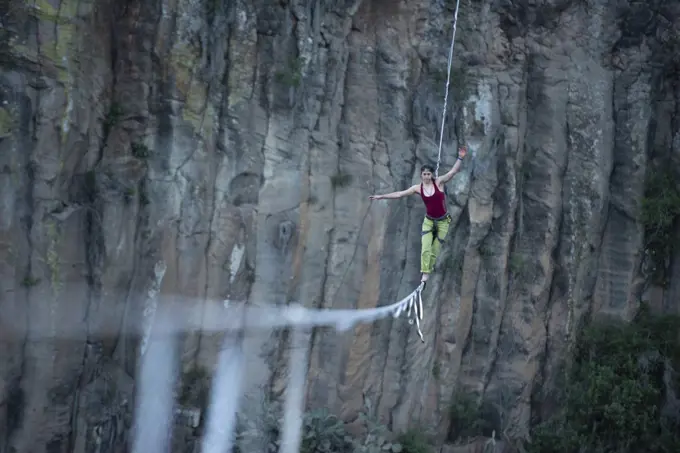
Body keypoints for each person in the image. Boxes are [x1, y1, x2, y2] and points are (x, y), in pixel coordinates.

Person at [369, 146, 467, 286]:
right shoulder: (417, 188)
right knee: (425, 247)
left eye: (428, 174)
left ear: (432, 175)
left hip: (443, 221)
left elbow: (453, 172)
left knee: (435, 249)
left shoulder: (439, 182)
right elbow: (400, 194)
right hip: (429, 221)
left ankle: (429, 268)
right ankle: (425, 273)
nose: (426, 176)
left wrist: (460, 157)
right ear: (421, 175)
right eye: (424, 174)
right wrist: (381, 196)